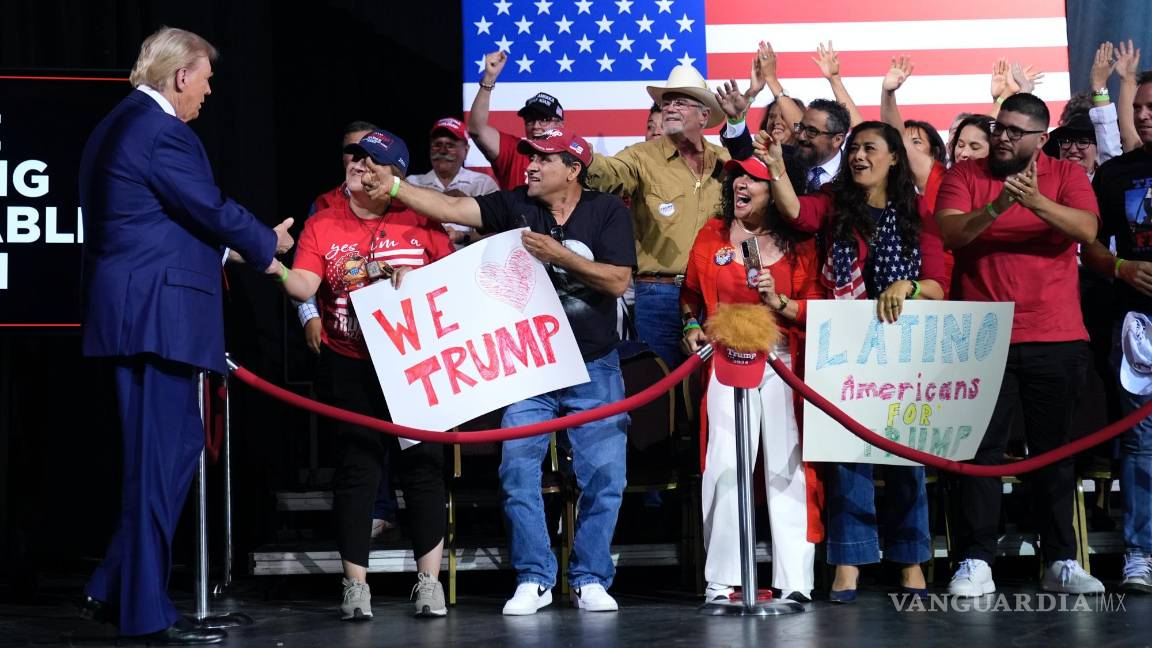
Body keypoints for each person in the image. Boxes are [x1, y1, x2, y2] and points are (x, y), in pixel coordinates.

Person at [358, 128, 636, 616]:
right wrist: (397, 188)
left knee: (606, 474)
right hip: (531, 366)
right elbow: (452, 210)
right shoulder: (515, 204)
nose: (527, 165)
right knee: (515, 470)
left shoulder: (606, 211)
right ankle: (534, 577)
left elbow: (618, 280)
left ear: (572, 169)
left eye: (541, 160)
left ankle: (591, 576)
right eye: (528, 158)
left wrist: (560, 256)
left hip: (594, 365)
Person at [77, 27, 292, 645]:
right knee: (158, 465)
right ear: (179, 77)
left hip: (142, 314)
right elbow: (207, 207)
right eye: (205, 79)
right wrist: (268, 250)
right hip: (156, 318)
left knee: (169, 455)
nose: (207, 91)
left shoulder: (119, 125)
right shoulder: (163, 133)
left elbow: (161, 221)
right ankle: (143, 614)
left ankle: (111, 583)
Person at [756, 120, 947, 602]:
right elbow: (797, 214)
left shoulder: (918, 213)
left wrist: (909, 286)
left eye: (870, 148)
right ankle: (848, 561)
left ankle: (911, 560)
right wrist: (777, 167)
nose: (859, 156)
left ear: (894, 158)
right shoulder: (836, 206)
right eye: (855, 148)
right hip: (843, 347)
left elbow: (939, 285)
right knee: (847, 456)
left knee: (906, 457)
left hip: (903, 354)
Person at [274, 130, 454, 619]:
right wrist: (270, 261)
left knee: (423, 468)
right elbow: (304, 285)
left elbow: (453, 285)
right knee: (357, 471)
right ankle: (356, 587)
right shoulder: (324, 223)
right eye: (355, 157)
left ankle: (429, 584)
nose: (359, 165)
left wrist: (415, 283)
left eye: (372, 160)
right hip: (348, 361)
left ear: (394, 174)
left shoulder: (422, 218)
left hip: (414, 364)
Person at [935, 92, 1104, 596]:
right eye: (998, 127)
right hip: (983, 336)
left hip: (1055, 333)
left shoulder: (1066, 176)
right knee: (980, 452)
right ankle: (976, 560)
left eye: (1014, 131)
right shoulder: (966, 175)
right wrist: (999, 205)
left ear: (1041, 139)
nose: (1002, 137)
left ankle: (1059, 561)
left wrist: (1034, 201)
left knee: (1054, 451)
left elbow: (1088, 229)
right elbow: (951, 234)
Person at [680, 155, 825, 603]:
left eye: (754, 179)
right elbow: (689, 296)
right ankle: (721, 581)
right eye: (738, 177)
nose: (741, 184)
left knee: (788, 466)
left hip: (781, 360)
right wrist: (690, 326)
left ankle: (795, 582)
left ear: (776, 190)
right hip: (726, 359)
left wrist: (778, 301)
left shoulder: (801, 243)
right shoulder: (712, 233)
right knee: (724, 464)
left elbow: (814, 305)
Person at [584, 63, 728, 369]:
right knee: (662, 391)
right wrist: (579, 155)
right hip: (660, 293)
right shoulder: (640, 156)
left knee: (714, 389)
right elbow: (608, 174)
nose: (670, 108)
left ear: (704, 116)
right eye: (667, 102)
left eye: (680, 101)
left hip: (716, 293)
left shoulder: (725, 161)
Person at [1081, 70, 1152, 593]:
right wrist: (1121, 268)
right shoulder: (1116, 175)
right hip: (1138, 325)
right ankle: (1141, 552)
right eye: (1141, 107)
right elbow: (1092, 246)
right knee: (1140, 443)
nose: (1145, 115)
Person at [468, 50, 565, 189]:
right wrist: (489, 78)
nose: (536, 126)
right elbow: (476, 130)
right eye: (530, 120)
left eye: (544, 120)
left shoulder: (572, 157)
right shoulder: (515, 151)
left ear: (560, 125)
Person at [407, 117, 499, 248]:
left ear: (466, 150)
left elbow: (499, 229)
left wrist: (469, 204)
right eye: (437, 145)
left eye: (450, 145)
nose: (443, 151)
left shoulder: (482, 184)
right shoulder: (412, 184)